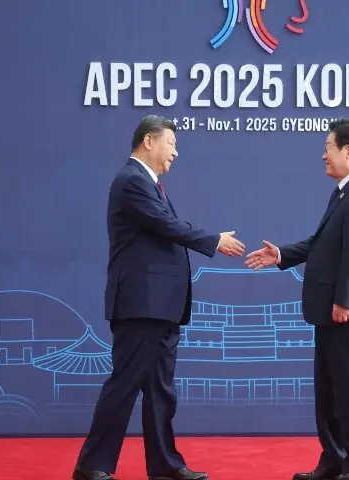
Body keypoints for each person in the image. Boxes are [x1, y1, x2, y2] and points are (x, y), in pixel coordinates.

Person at [73, 114, 246, 480]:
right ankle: (92, 465)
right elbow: (167, 226)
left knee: (161, 392)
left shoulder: (147, 183)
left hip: (161, 306)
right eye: (171, 144)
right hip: (141, 305)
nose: (175, 153)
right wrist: (213, 239)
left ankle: (166, 466)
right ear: (149, 141)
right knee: (124, 386)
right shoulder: (132, 181)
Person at [245, 119, 349, 480]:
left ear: (348, 150)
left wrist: (344, 301)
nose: (323, 155)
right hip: (329, 312)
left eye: (328, 147)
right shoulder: (344, 193)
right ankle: (334, 461)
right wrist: (281, 255)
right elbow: (323, 244)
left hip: (345, 313)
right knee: (330, 393)